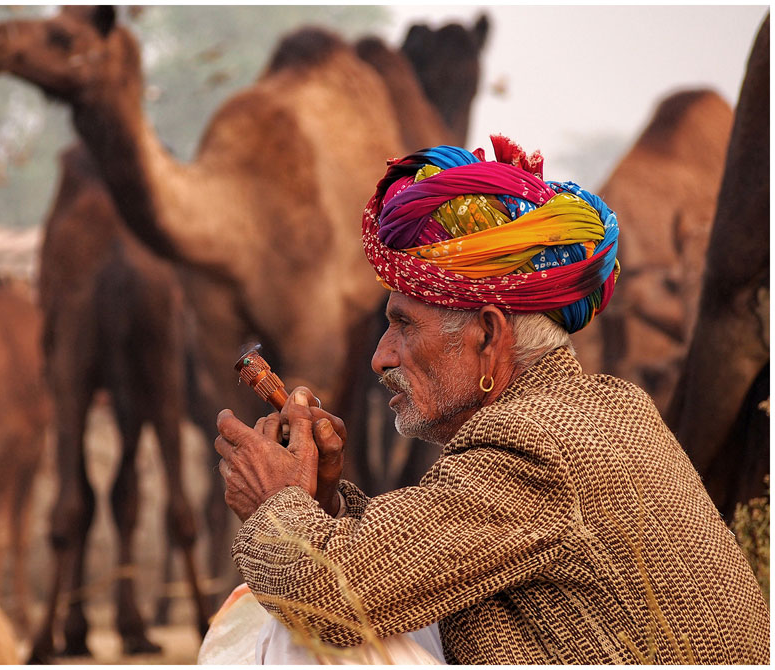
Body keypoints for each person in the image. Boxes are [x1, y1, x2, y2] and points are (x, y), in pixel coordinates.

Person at [214, 136, 770, 664]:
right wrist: (323, 500)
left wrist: (274, 503)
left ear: (487, 333)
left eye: (404, 326)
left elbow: (328, 601)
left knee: (298, 642)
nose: (381, 358)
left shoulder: (533, 447)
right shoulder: (602, 407)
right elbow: (416, 567)